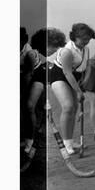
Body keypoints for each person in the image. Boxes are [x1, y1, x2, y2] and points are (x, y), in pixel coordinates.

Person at [49, 23, 95, 154]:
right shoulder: (67, 51)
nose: (86, 42)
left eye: (88, 39)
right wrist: (79, 92)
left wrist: (84, 82)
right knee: (68, 107)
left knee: (74, 108)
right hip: (60, 76)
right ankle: (65, 144)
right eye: (83, 39)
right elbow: (67, 73)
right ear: (75, 37)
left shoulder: (86, 49)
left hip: (75, 77)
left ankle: (70, 141)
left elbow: (87, 66)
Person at [23, 28, 66, 158]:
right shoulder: (33, 54)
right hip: (36, 80)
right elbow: (31, 76)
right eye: (51, 46)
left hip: (48, 82)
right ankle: (32, 136)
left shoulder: (58, 56)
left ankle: (38, 136)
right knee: (30, 106)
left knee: (39, 108)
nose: (54, 49)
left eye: (56, 47)